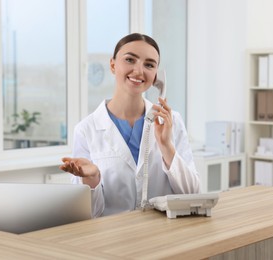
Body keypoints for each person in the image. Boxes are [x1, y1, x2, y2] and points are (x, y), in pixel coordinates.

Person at [59, 33, 201, 217]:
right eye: (130, 60)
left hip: (164, 236)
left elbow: (192, 194)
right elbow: (89, 214)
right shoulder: (86, 130)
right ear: (112, 65)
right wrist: (91, 178)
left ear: (156, 76)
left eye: (149, 65)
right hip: (113, 240)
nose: (139, 71)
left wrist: (166, 146)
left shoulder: (171, 121)